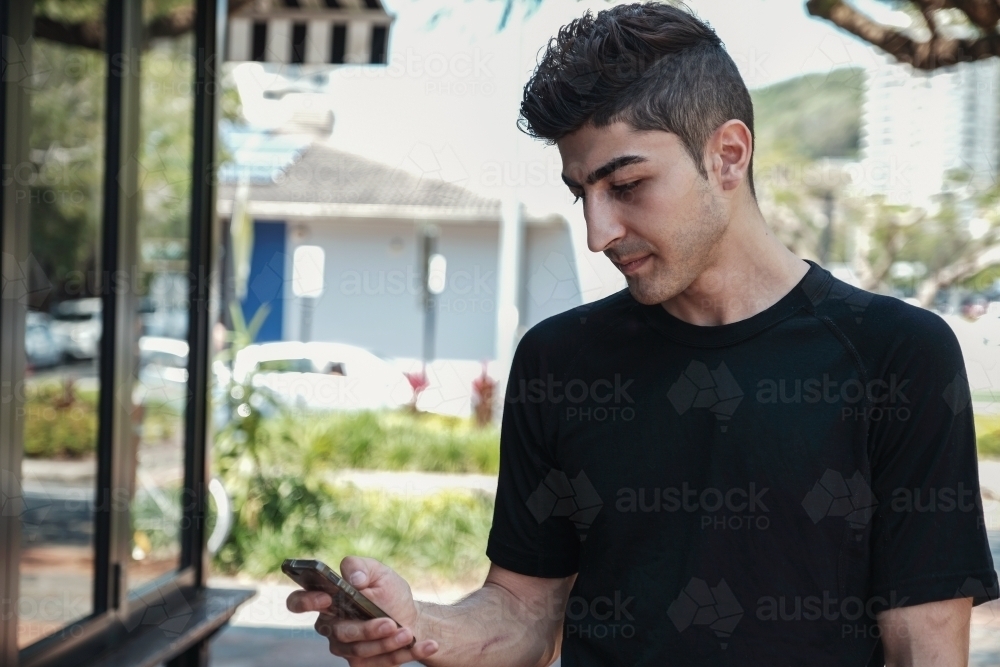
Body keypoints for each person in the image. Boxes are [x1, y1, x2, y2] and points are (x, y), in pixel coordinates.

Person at [287, 4, 998, 665]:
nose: (598, 233)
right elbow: (526, 612)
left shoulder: (897, 356)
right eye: (581, 194)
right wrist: (416, 625)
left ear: (727, 155)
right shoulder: (559, 361)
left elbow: (925, 648)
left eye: (625, 185)